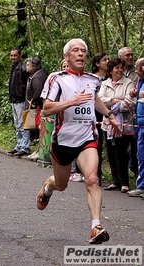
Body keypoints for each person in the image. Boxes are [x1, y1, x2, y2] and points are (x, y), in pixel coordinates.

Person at [36, 38, 122, 244]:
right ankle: (48, 186)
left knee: (92, 179)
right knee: (61, 184)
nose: (81, 54)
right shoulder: (56, 79)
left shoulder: (93, 80)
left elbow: (95, 100)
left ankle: (96, 226)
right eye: (76, 50)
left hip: (87, 138)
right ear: (67, 56)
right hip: (63, 140)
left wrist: (110, 116)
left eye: (83, 50)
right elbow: (46, 108)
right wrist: (71, 102)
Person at [99, 57, 136, 193]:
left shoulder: (129, 83)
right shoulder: (105, 84)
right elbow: (100, 100)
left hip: (123, 124)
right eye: (117, 67)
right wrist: (116, 100)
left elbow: (129, 103)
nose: (120, 70)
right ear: (110, 70)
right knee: (111, 152)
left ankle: (124, 182)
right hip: (107, 124)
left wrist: (111, 103)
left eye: (121, 67)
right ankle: (115, 181)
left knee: (121, 152)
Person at [119, 47, 139, 177]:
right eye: (127, 55)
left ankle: (135, 168)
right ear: (121, 57)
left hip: (136, 111)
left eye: (131, 55)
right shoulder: (117, 70)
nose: (130, 57)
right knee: (120, 145)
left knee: (135, 142)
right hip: (120, 114)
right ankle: (121, 177)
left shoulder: (137, 72)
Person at [8, 49, 30, 157]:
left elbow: (27, 84)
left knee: (22, 124)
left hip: (21, 100)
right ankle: (19, 145)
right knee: (17, 124)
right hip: (14, 100)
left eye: (15, 55)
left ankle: (25, 146)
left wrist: (25, 98)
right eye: (11, 55)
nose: (13, 57)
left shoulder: (23, 68)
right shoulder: (14, 68)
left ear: (20, 56)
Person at [91, 52, 109, 185]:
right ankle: (96, 174)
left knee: (110, 143)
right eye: (104, 60)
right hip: (94, 114)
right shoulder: (91, 78)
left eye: (108, 59)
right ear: (97, 63)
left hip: (108, 112)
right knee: (96, 143)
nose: (107, 62)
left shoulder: (111, 76)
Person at [127, 58, 144, 198]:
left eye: (137, 68)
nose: (135, 70)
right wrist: (135, 93)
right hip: (139, 124)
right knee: (141, 157)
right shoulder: (140, 82)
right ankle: (141, 186)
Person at [25, 57, 47, 161]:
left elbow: (38, 91)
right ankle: (38, 150)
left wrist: (33, 103)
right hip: (38, 106)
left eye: (28, 65)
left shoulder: (38, 77)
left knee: (40, 129)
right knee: (39, 129)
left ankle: (40, 151)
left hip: (39, 107)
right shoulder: (37, 75)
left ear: (35, 66)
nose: (26, 67)